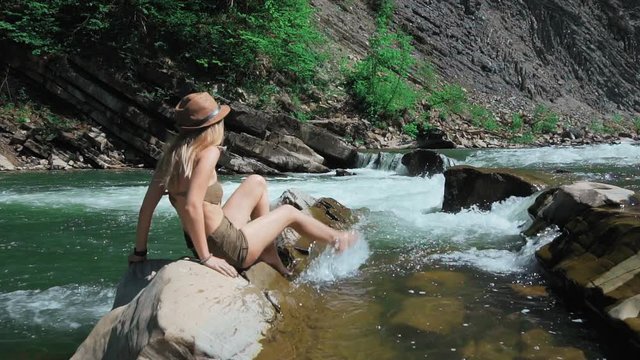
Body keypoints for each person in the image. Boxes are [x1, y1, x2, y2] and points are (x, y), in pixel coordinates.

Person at [128, 92, 357, 277]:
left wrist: (140, 254)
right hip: (227, 247)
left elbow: (146, 209)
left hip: (211, 235)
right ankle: (338, 239)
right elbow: (191, 205)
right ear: (213, 126)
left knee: (256, 182)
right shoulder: (208, 153)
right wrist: (206, 258)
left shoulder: (170, 158)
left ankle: (268, 252)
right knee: (288, 212)